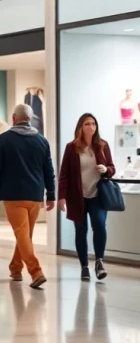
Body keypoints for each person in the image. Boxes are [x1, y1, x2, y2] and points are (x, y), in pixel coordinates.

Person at [0, 104, 55, 290]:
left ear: (14, 118)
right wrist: (51, 194)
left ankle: (35, 271)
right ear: (30, 119)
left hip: (13, 195)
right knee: (24, 234)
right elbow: (49, 170)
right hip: (35, 195)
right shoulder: (42, 141)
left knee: (22, 234)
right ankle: (15, 268)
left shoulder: (4, 139)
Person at [58, 113, 116, 281]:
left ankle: (99, 262)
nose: (91, 127)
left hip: (97, 195)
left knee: (99, 225)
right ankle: (84, 266)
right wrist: (61, 197)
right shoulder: (71, 148)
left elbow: (112, 167)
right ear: (80, 128)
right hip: (77, 197)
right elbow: (64, 175)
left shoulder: (102, 146)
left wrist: (106, 170)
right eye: (87, 124)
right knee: (80, 230)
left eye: (93, 124)